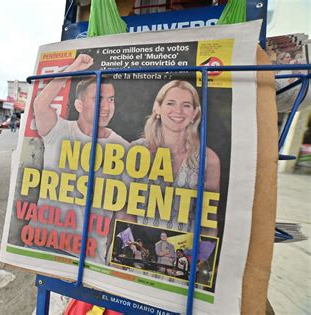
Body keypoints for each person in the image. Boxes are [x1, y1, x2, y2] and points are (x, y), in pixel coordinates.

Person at [30, 53, 129, 264]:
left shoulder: (123, 148)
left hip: (89, 256)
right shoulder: (59, 130)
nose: (106, 106)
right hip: (43, 242)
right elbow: (40, 104)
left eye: (111, 99)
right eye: (98, 99)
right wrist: (74, 67)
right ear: (79, 105)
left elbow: (122, 211)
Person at [133, 80, 221, 236]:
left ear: (195, 113)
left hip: (185, 255)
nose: (178, 111)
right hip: (137, 249)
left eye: (186, 105)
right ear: (157, 108)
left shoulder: (208, 159)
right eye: (170, 103)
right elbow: (122, 211)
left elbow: (209, 223)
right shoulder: (136, 151)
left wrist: (202, 258)